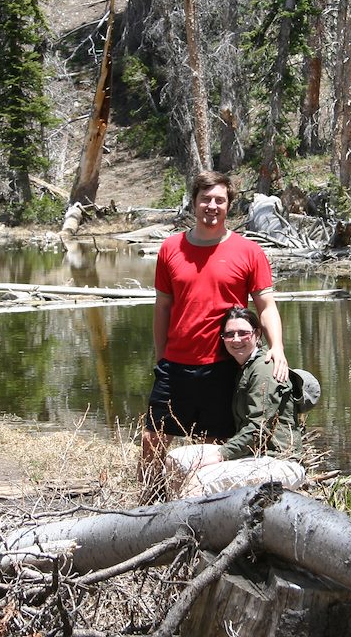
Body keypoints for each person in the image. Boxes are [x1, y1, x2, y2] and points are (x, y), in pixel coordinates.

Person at [138, 171, 289, 494]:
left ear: (228, 205)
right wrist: (161, 355)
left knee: (213, 447)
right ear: (193, 203)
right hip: (175, 365)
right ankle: (148, 507)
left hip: (223, 366)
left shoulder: (248, 251)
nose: (212, 206)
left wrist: (277, 347)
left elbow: (266, 306)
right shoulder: (170, 249)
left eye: (220, 200)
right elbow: (162, 307)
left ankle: (207, 511)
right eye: (205, 199)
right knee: (152, 439)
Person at [165, 307, 316, 498]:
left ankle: (188, 525)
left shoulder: (264, 369)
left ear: (257, 334)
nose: (236, 340)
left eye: (243, 333)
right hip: (251, 456)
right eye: (229, 334)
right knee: (175, 460)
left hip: (279, 461)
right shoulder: (244, 367)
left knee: (199, 479)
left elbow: (258, 429)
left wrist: (221, 455)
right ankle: (183, 516)